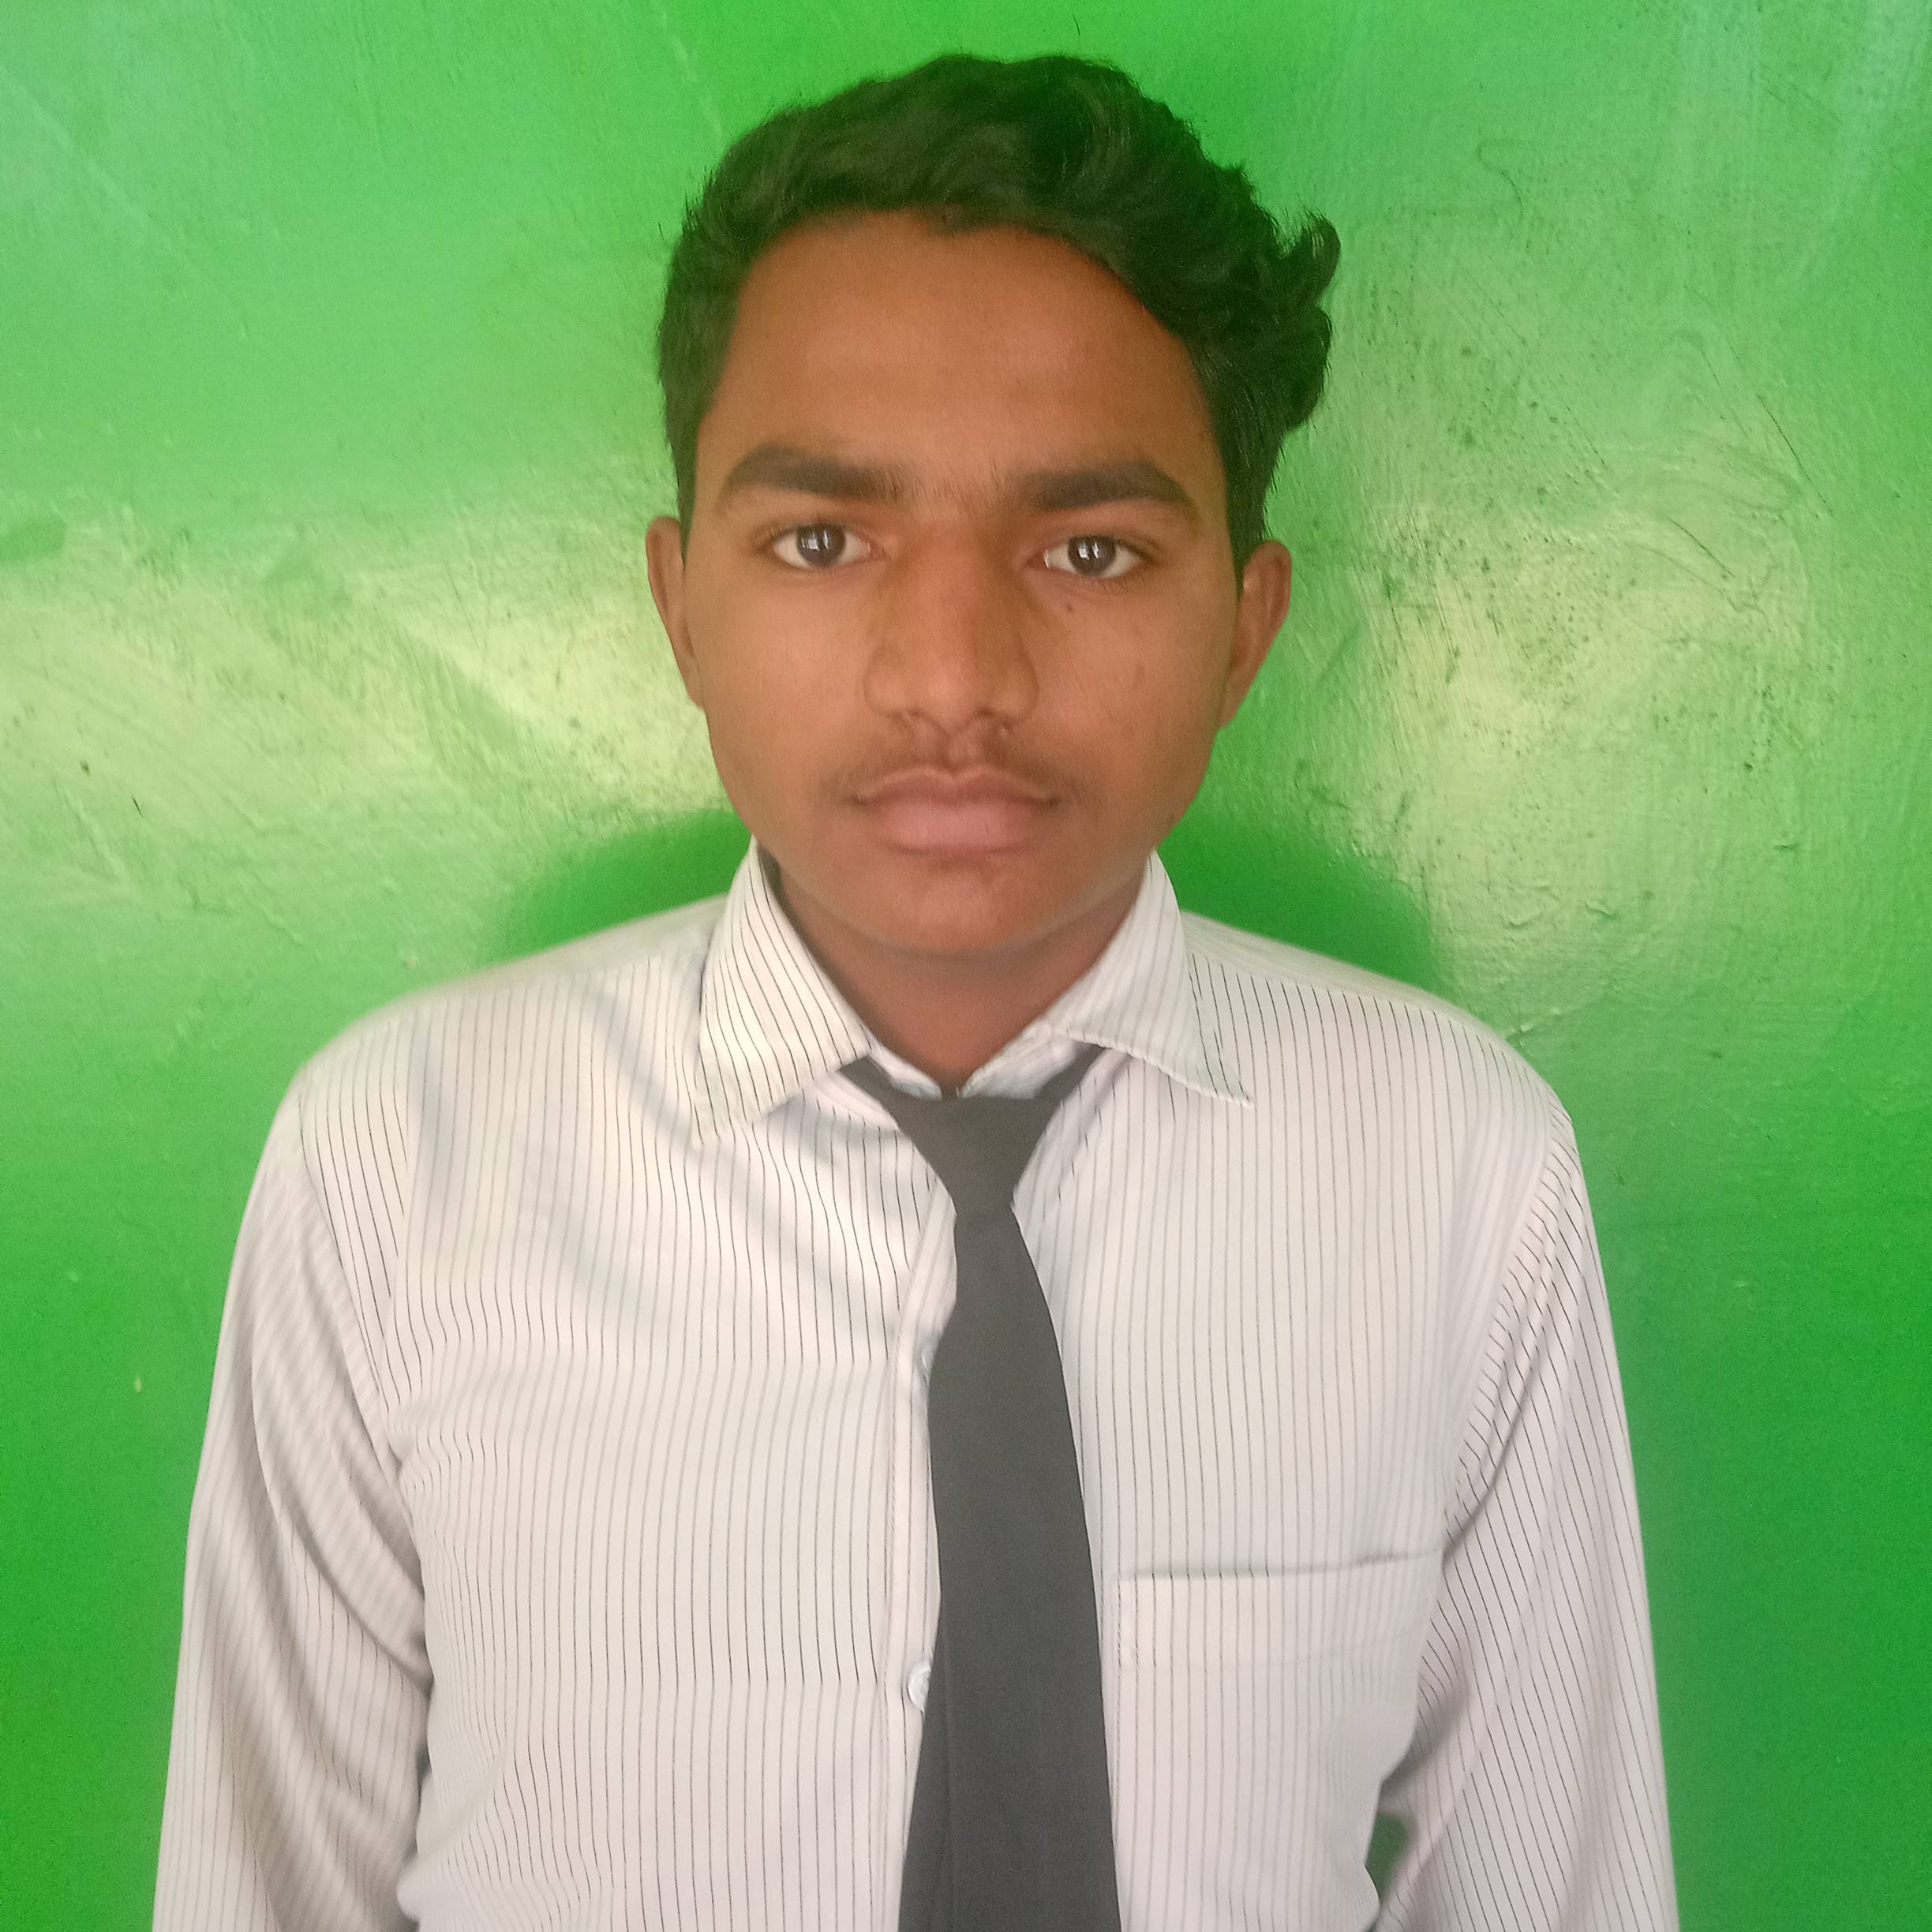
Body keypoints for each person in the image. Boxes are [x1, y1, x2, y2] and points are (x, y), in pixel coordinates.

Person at [154, 50, 1678, 1932]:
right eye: (821, 541)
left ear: (1245, 627)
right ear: (682, 608)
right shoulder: (400, 1159)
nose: (954, 675)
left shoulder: (1458, 1170)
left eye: (1091, 549)